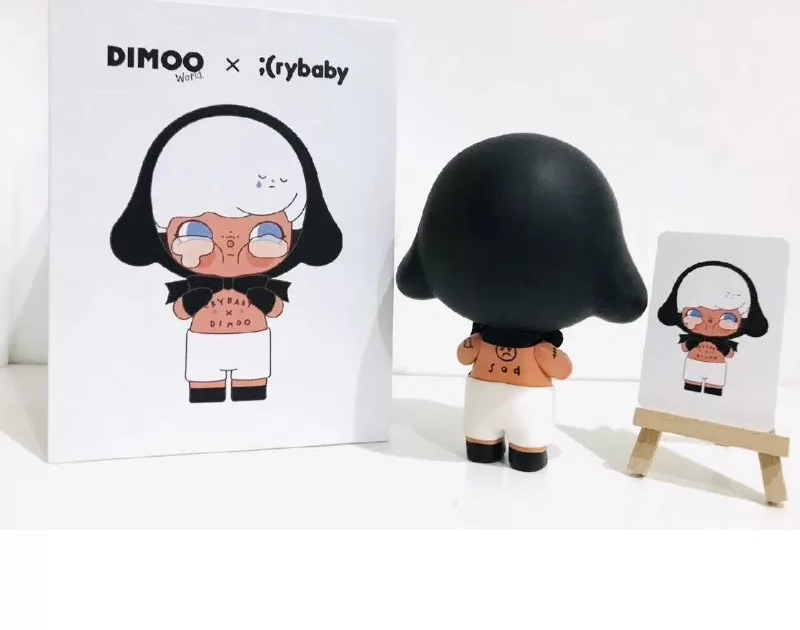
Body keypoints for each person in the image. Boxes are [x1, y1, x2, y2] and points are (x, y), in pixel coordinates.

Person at [396, 133, 647, 471]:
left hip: (529, 401)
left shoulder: (539, 349)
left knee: (527, 448)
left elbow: (562, 369)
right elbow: (464, 354)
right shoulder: (483, 338)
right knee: (480, 442)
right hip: (484, 396)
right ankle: (484, 447)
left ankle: (526, 452)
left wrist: (549, 356)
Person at [110, 104, 342, 403]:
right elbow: (180, 311)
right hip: (203, 343)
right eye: (196, 231)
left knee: (252, 391)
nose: (230, 246)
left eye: (266, 232)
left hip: (254, 341)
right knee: (205, 390)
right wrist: (191, 302)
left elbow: (276, 310)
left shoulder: (262, 281)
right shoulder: (196, 283)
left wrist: (266, 299)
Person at [657, 261, 768, 396]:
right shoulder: (693, 339)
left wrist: (723, 349)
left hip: (716, 368)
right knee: (691, 388)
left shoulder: (723, 344)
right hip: (693, 365)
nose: (710, 322)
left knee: (714, 388)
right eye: (694, 314)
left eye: (728, 317)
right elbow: (685, 347)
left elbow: (729, 353)